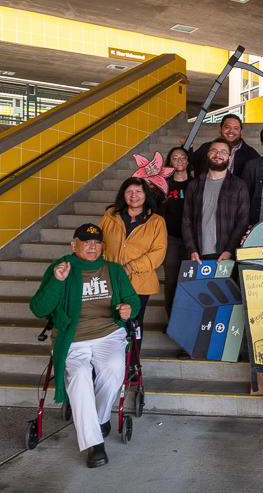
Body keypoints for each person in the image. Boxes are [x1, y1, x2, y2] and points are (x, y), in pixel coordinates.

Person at [29, 223, 139, 468]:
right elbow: (38, 308)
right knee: (79, 375)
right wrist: (57, 282)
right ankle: (95, 444)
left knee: (113, 368)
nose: (92, 246)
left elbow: (132, 300)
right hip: (73, 338)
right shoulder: (61, 268)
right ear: (73, 244)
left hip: (108, 334)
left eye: (97, 242)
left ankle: (98, 420)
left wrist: (129, 309)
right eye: (86, 242)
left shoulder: (113, 270)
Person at [99, 177, 167, 365]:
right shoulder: (111, 215)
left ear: (145, 195)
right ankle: (109, 362)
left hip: (140, 283)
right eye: (129, 191)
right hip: (110, 279)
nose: (134, 196)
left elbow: (158, 253)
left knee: (134, 323)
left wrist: (130, 267)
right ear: (123, 194)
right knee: (110, 321)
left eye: (138, 191)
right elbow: (100, 244)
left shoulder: (156, 221)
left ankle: (132, 363)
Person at [182, 137, 250, 264]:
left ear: (229, 158)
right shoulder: (194, 185)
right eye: (214, 150)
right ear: (208, 154)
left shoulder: (239, 185)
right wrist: (191, 249)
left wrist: (229, 250)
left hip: (226, 255)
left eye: (223, 152)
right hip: (198, 254)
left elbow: (242, 220)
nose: (218, 155)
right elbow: (186, 220)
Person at [162, 147, 192, 320]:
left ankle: (186, 322)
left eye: (183, 157)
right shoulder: (164, 185)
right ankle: (171, 320)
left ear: (188, 161)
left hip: (191, 241)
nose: (179, 160)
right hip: (170, 239)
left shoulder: (195, 184)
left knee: (188, 281)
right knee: (172, 281)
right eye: (175, 157)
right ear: (170, 162)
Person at [184, 114, 260, 178]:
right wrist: (187, 148)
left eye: (236, 128)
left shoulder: (250, 154)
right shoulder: (206, 148)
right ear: (220, 129)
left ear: (241, 132)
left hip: (235, 195)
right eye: (227, 127)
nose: (231, 131)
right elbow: (188, 165)